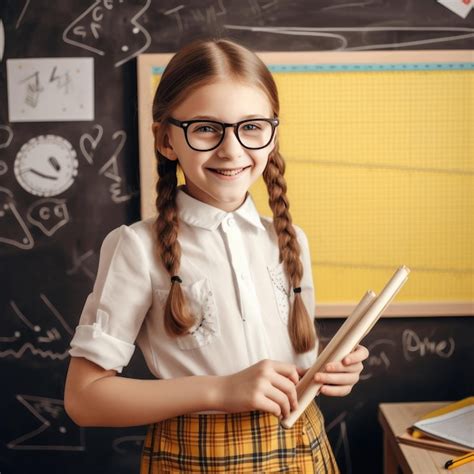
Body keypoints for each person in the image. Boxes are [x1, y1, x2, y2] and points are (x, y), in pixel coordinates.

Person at [64, 38, 369, 473]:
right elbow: (84, 399)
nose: (231, 149)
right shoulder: (135, 246)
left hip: (304, 448)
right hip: (196, 457)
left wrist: (327, 371)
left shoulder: (290, 240)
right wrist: (219, 390)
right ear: (166, 140)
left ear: (271, 134)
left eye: (251, 126)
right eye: (206, 128)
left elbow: (291, 373)